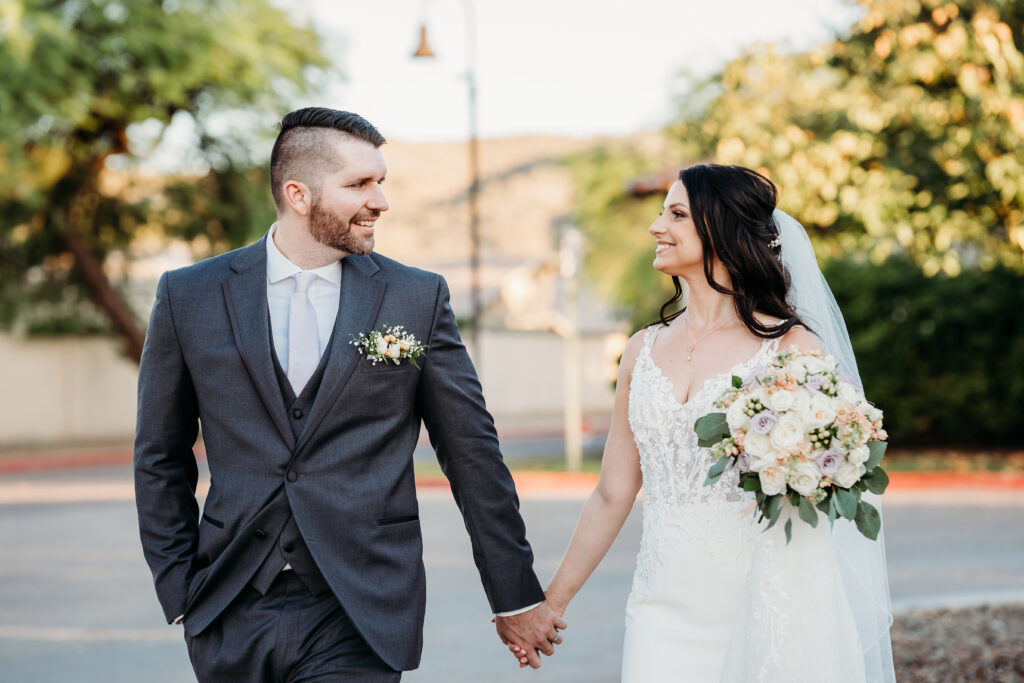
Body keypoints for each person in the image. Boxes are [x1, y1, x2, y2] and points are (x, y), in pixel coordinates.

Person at [133, 107, 565, 682]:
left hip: (361, 607)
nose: (380, 200)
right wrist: (180, 586)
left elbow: (472, 454)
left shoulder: (416, 297)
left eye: (380, 182)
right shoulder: (191, 295)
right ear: (298, 194)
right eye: (359, 184)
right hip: (230, 604)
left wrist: (514, 595)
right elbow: (159, 454)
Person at [528, 164, 895, 681]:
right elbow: (613, 491)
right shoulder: (641, 349)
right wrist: (552, 602)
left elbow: (833, 476)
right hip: (659, 606)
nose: (657, 227)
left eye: (676, 214)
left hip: (760, 599)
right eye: (662, 212)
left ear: (721, 230)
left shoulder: (792, 350)